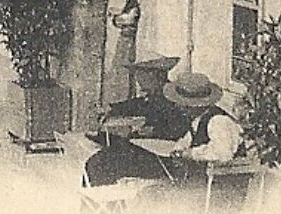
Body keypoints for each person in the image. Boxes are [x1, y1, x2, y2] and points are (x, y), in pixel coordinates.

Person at [82, 70, 243, 194]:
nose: (179, 107)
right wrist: (178, 151)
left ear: (193, 104)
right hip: (186, 170)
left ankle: (99, 210)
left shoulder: (218, 121)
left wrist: (189, 154)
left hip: (204, 185)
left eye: (182, 104)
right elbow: (185, 141)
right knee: (108, 158)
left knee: (109, 163)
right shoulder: (199, 119)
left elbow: (223, 153)